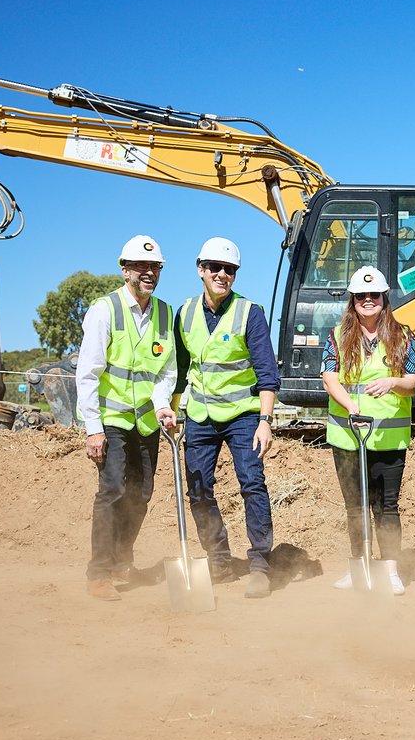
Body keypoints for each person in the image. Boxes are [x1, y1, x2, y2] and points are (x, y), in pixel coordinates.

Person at [175, 237, 279, 599]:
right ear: (201, 269)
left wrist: (265, 420)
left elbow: (267, 373)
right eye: (216, 268)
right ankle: (218, 559)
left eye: (230, 270)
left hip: (243, 415)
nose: (223, 274)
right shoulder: (184, 313)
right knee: (198, 488)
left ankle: (260, 565)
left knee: (252, 483)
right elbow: (179, 370)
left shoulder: (250, 312)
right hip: (200, 415)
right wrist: (172, 410)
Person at [76, 235, 177, 601]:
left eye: (155, 267)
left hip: (147, 420)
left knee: (142, 493)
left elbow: (167, 371)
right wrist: (93, 429)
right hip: (112, 418)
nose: (149, 272)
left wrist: (163, 403)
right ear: (125, 270)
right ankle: (99, 571)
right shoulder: (105, 310)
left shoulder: (165, 314)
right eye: (141, 267)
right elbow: (87, 374)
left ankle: (122, 559)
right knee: (114, 488)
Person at [321, 265, 415, 596]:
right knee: (355, 505)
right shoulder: (337, 335)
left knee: (386, 505)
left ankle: (390, 569)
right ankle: (359, 566)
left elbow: (412, 382)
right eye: (361, 296)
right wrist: (349, 403)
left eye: (374, 295)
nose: (368, 300)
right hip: (347, 435)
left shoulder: (404, 335)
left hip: (389, 438)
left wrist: (393, 381)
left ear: (384, 299)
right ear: (353, 300)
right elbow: (330, 376)